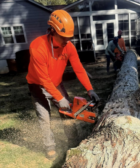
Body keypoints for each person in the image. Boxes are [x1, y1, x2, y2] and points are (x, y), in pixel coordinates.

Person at [26, 10, 99, 160]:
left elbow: (79, 69)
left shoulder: (69, 47)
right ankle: (49, 147)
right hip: (38, 86)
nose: (67, 41)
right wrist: (60, 98)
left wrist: (90, 89)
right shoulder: (38, 47)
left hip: (57, 84)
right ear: (52, 31)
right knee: (45, 118)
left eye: (69, 38)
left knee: (67, 113)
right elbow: (44, 79)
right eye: (63, 37)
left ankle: (73, 142)